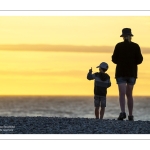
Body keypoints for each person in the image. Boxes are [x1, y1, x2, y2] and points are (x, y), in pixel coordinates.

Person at [112, 28, 143, 121]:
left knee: (122, 93)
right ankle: (130, 115)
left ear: (123, 36)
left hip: (121, 72)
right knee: (129, 94)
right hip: (132, 72)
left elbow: (114, 60)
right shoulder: (136, 46)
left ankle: (122, 112)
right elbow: (140, 60)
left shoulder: (118, 46)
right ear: (131, 36)